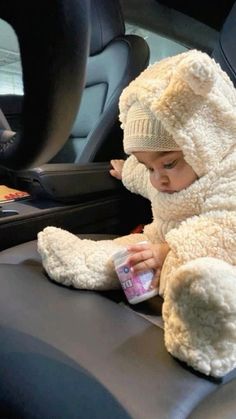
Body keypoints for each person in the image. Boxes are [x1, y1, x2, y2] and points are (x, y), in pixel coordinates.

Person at [38, 49, 236, 378]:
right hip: (158, 244)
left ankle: (209, 328)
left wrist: (171, 252)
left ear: (207, 142)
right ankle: (82, 259)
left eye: (169, 163)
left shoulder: (229, 173)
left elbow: (228, 227)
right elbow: (146, 177)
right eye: (149, 166)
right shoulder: (160, 174)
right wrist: (128, 170)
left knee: (200, 279)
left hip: (214, 261)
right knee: (129, 253)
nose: (158, 178)